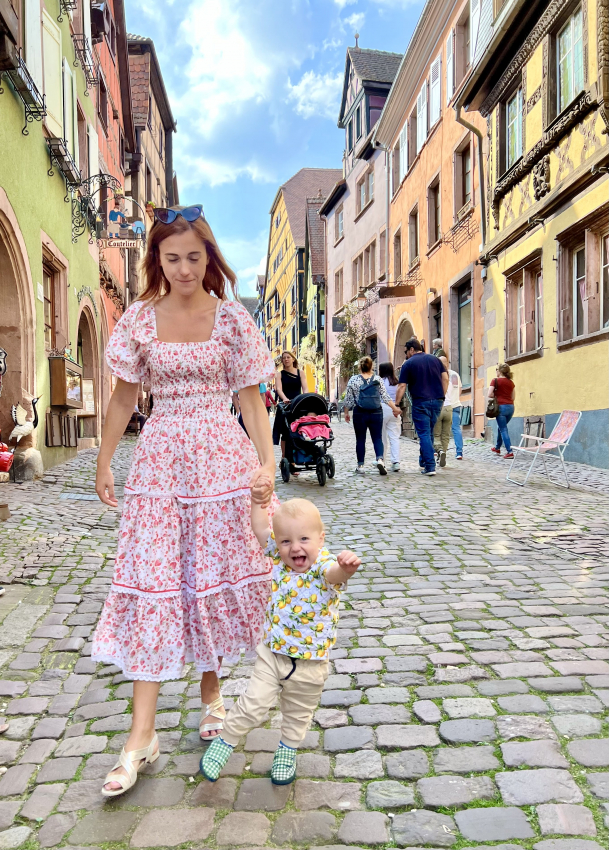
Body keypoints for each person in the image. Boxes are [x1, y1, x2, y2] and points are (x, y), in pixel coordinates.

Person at [93, 204, 277, 797]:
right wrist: (103, 459)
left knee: (208, 576)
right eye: (171, 258)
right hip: (160, 462)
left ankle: (213, 693)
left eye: (194, 257)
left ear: (209, 257)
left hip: (222, 460)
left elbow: (250, 400)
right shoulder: (141, 320)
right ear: (158, 260)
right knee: (155, 581)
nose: (183, 269)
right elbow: (124, 399)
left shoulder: (231, 321)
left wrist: (267, 460)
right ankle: (139, 736)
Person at [200, 496, 361, 786]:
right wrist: (257, 503)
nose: (295, 547)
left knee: (298, 714)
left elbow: (335, 575)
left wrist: (346, 568)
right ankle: (225, 741)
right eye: (286, 541)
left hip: (311, 663)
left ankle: (287, 750)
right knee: (253, 703)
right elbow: (261, 528)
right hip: (273, 654)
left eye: (303, 539)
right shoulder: (279, 558)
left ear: (320, 539)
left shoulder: (323, 566)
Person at [396, 339, 448, 476]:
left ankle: (430, 466)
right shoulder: (436, 359)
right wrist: (442, 395)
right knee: (429, 432)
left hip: (420, 402)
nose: (406, 355)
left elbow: (402, 386)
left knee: (424, 433)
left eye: (406, 352)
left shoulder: (408, 364)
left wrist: (396, 404)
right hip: (437, 401)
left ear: (412, 349)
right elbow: (445, 378)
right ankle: (424, 460)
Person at [343, 356, 401, 476]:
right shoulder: (378, 379)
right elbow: (385, 397)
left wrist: (346, 412)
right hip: (376, 412)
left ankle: (360, 466)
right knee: (377, 438)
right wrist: (395, 408)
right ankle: (380, 459)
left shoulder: (353, 380)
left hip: (360, 412)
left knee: (360, 439)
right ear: (372, 366)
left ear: (360, 366)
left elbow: (348, 399)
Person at [274, 351, 308, 474]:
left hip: (298, 404)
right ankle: (285, 458)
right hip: (285, 405)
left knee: (297, 431)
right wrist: (284, 399)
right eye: (284, 358)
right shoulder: (279, 374)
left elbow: (305, 388)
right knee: (285, 433)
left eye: (288, 357)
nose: (286, 359)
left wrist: (306, 398)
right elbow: (278, 389)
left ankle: (293, 459)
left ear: (293, 359)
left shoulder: (301, 373)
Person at [489, 363, 515, 458]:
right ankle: (497, 447)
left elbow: (489, 394)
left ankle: (509, 451)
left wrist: (497, 396)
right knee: (501, 427)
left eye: (496, 369)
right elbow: (513, 397)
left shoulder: (495, 381)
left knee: (503, 429)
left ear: (499, 371)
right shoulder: (511, 382)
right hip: (510, 408)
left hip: (500, 407)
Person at [379, 361, 401, 472]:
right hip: (394, 409)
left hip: (382, 408)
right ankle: (396, 462)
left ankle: (381, 460)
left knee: (382, 437)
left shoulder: (380, 382)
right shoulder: (396, 382)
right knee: (394, 437)